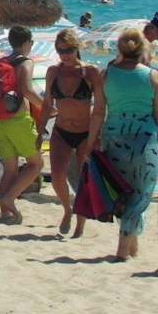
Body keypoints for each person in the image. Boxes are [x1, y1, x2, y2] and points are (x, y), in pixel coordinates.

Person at [87, 27, 158, 260]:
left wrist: (91, 141)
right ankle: (123, 247)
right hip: (145, 138)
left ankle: (132, 246)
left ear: (120, 49)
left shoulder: (106, 75)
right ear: (142, 49)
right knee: (141, 193)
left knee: (122, 189)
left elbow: (98, 111)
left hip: (114, 136)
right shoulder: (152, 76)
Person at [36, 28, 102, 237]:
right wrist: (39, 132)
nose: (65, 55)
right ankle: (67, 209)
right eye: (60, 51)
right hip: (61, 130)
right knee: (57, 176)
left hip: (85, 131)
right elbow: (47, 104)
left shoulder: (90, 72)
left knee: (83, 179)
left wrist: (97, 135)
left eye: (69, 50)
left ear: (77, 48)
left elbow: (100, 107)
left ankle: (80, 223)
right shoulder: (53, 72)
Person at [0, 25, 44, 224]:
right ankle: (9, 198)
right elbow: (27, 90)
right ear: (27, 43)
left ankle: (5, 213)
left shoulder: (2, 62)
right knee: (36, 164)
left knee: (9, 169)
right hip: (18, 120)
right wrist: (47, 108)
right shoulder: (25, 62)